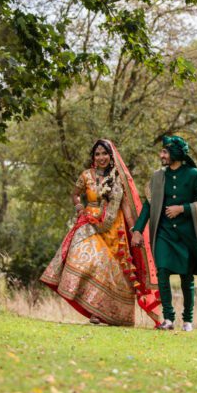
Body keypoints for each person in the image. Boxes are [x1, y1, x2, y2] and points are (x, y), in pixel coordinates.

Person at [40, 139, 160, 326]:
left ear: (111, 156)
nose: (101, 157)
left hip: (115, 231)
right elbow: (75, 193)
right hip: (89, 224)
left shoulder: (119, 178)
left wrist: (134, 231)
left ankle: (100, 314)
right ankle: (90, 307)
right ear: (93, 157)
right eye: (97, 154)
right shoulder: (86, 175)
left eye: (104, 153)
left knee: (109, 271)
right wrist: (80, 207)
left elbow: (127, 209)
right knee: (87, 259)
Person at [131, 135, 197, 331]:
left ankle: (188, 320)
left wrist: (183, 208)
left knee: (187, 277)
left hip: (187, 235)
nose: (161, 155)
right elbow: (148, 206)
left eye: (165, 152)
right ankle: (168, 319)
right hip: (164, 233)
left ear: (175, 154)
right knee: (162, 271)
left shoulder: (194, 174)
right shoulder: (158, 176)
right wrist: (137, 230)